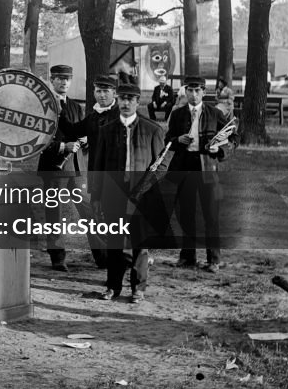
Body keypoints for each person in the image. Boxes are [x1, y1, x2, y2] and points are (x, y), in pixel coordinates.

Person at [90, 83, 170, 303]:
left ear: (138, 102)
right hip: (113, 195)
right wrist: (96, 197)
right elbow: (98, 167)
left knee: (140, 244)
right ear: (117, 99)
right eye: (122, 98)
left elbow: (161, 167)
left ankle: (138, 289)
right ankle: (113, 287)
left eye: (130, 99)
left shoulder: (152, 129)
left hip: (142, 196)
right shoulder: (107, 129)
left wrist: (143, 189)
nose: (125, 103)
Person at [167, 76, 233, 272]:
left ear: (204, 92)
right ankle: (187, 256)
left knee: (210, 213)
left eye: (197, 91)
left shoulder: (214, 114)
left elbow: (233, 135)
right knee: (186, 212)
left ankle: (214, 259)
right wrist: (178, 139)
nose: (193, 95)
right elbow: (167, 139)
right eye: (190, 91)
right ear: (185, 92)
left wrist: (220, 150)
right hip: (184, 165)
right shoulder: (178, 114)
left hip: (206, 166)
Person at [60, 74, 120, 269]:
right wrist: (59, 111)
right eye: (98, 91)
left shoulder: (121, 115)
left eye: (106, 91)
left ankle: (127, 260)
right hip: (96, 176)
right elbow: (72, 130)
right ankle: (105, 260)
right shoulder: (94, 117)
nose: (101, 95)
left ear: (115, 93)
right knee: (97, 216)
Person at [36, 64, 85, 272]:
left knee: (87, 208)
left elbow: (81, 132)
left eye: (67, 79)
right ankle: (57, 258)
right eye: (59, 78)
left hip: (74, 166)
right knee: (54, 214)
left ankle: (102, 255)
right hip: (52, 166)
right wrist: (63, 146)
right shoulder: (42, 107)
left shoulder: (75, 107)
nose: (64, 82)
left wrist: (84, 139)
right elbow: (36, 140)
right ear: (52, 80)